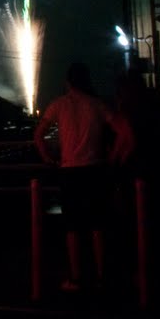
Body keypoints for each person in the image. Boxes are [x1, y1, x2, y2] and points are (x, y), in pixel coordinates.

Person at [34, 61, 122, 291]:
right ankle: (102, 276)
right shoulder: (97, 105)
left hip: (69, 171)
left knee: (72, 226)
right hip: (95, 169)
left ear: (67, 82)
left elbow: (39, 135)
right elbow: (125, 133)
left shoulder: (58, 105)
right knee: (97, 224)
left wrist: (47, 159)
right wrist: (113, 157)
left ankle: (76, 277)